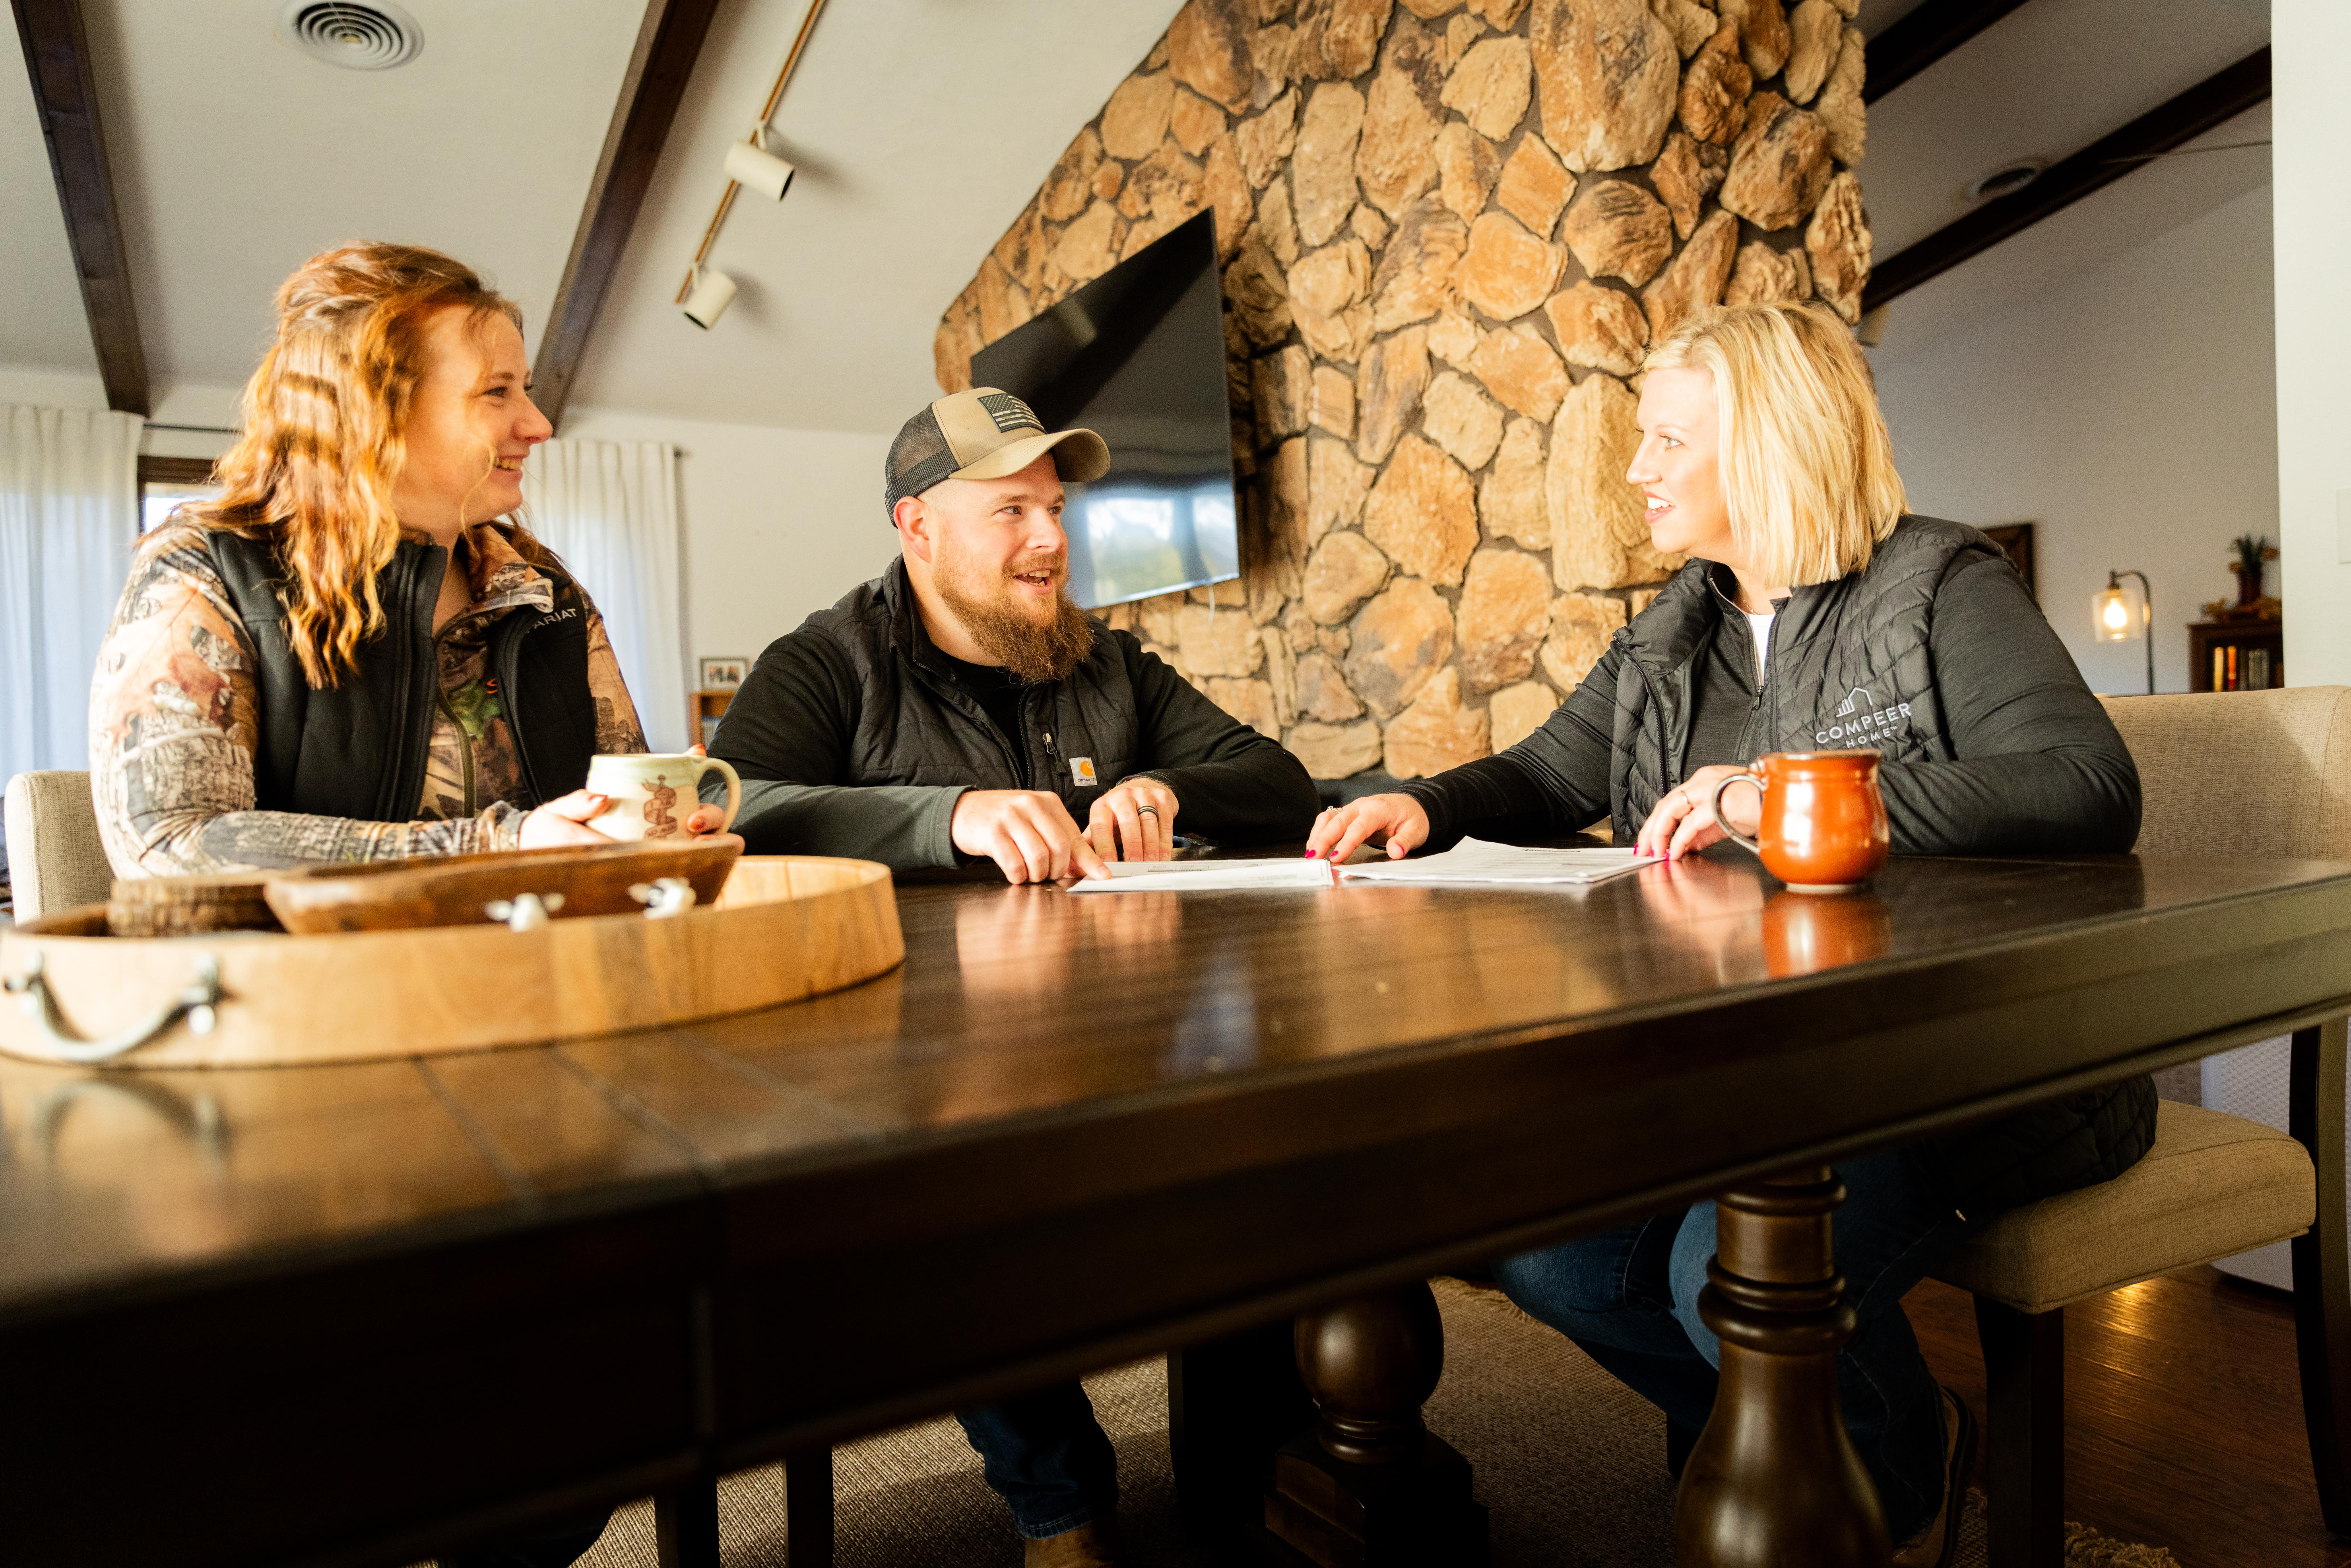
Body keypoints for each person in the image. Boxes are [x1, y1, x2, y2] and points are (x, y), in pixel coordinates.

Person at [1308, 301, 2150, 1567]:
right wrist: (1414, 803)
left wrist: (1778, 795)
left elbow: (2087, 787)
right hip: (1758, 1073)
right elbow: (1546, 775)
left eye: (1662, 440)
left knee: (1726, 1273)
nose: (1634, 469)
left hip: (1967, 1062)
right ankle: (1850, 1464)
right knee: (1552, 1253)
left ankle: (1875, 1491)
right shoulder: (1677, 627)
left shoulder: (1935, 583)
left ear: (1760, 444)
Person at [706, 387, 1321, 1564]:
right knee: (974, 1186)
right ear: (917, 526)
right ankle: (1063, 1507)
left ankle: (1257, 1468)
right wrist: (948, 819)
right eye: (1011, 513)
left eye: (1054, 508)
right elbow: (733, 809)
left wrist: (1171, 790)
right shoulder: (826, 660)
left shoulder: (1107, 662)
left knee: (1262, 1139)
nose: (1050, 540)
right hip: (918, 1057)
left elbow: (1278, 779)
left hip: (1120, 1027)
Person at [90, 241, 730, 887]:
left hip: (541, 965)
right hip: (320, 979)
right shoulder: (208, 571)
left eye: (526, 391)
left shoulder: (547, 595)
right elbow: (170, 842)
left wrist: (660, 826)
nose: (538, 425)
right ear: (371, 412)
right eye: (497, 392)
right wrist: (498, 846)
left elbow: (612, 806)